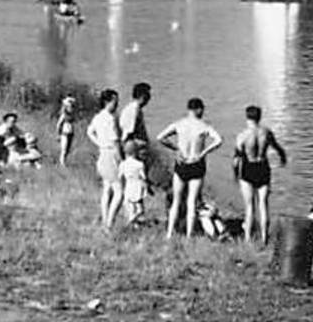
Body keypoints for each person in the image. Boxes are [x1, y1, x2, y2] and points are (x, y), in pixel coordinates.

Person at [158, 97, 222, 240]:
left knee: (176, 200)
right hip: (196, 164)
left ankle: (169, 233)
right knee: (192, 202)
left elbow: (160, 137)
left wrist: (176, 150)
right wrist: (204, 152)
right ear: (199, 109)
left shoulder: (179, 124)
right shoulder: (204, 126)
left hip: (181, 163)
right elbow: (219, 140)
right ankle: (189, 235)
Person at [232, 105, 287, 244]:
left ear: (247, 117)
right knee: (263, 204)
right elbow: (278, 148)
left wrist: (235, 174)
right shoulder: (266, 132)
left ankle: (248, 238)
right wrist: (283, 159)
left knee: (249, 206)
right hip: (263, 167)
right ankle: (264, 238)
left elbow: (236, 159)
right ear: (260, 117)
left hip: (248, 168)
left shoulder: (242, 136)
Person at [86, 89, 124, 228]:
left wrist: (99, 143)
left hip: (102, 153)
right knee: (119, 192)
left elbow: (90, 132)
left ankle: (105, 219)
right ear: (107, 102)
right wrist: (122, 160)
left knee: (107, 188)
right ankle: (109, 223)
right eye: (115, 101)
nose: (117, 104)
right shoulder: (110, 119)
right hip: (111, 153)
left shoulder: (98, 117)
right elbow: (115, 141)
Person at [119, 141, 149, 226]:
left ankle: (135, 224)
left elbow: (120, 176)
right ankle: (132, 219)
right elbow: (143, 177)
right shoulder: (140, 164)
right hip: (138, 186)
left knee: (131, 207)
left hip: (128, 186)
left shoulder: (123, 164)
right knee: (140, 209)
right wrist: (146, 188)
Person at [55, 95, 77, 166]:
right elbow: (58, 125)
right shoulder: (64, 115)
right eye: (70, 107)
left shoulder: (72, 115)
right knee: (64, 149)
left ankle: (64, 161)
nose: (71, 108)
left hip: (70, 133)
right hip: (64, 133)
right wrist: (58, 134)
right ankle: (62, 163)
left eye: (72, 107)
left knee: (67, 149)